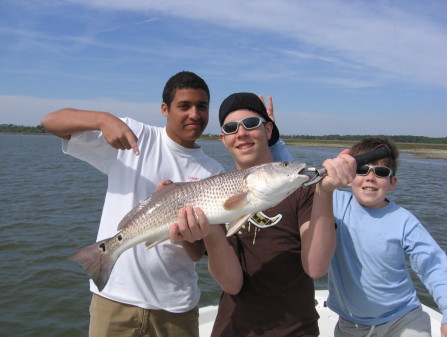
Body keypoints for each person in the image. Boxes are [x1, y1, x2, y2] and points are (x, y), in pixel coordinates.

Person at [41, 71, 226, 337]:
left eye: (202, 106)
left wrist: (188, 236)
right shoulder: (134, 136)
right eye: (184, 106)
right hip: (114, 300)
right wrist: (103, 119)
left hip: (176, 306)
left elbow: (197, 254)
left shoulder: (215, 171)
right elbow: (51, 122)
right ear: (165, 109)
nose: (194, 114)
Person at [169, 92, 356, 336]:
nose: (242, 133)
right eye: (231, 128)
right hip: (232, 329)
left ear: (268, 130)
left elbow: (316, 267)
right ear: (223, 139)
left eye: (251, 124)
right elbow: (231, 284)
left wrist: (325, 192)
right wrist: (212, 232)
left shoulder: (303, 190)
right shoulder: (215, 195)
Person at [327, 137, 447, 337]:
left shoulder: (404, 221)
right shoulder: (333, 202)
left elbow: (433, 265)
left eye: (381, 172)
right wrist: (274, 140)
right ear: (348, 178)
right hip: (350, 325)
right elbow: (291, 177)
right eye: (362, 170)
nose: (370, 177)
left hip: (403, 320)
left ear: (392, 182)